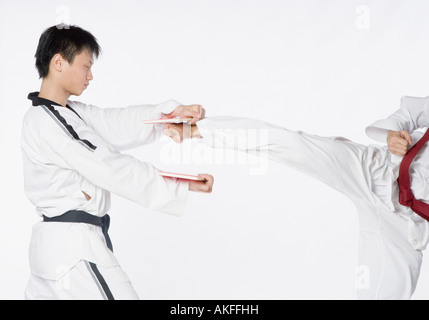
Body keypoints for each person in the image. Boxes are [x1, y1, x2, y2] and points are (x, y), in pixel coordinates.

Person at [163, 96, 429, 300]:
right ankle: (196, 129)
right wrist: (394, 132)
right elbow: (411, 112)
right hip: (376, 168)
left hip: (407, 226)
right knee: (292, 145)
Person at [21, 25, 214, 300]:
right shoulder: (50, 122)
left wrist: (169, 116)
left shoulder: (67, 114)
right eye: (86, 66)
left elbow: (116, 122)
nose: (90, 76)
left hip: (55, 253)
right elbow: (107, 166)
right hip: (73, 253)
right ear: (59, 62)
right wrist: (182, 184)